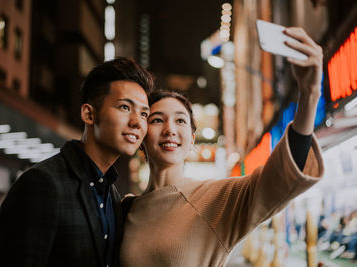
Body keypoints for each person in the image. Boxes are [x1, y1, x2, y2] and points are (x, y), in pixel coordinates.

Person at [120, 27, 324, 266]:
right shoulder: (125, 209)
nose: (170, 129)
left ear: (192, 139)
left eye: (180, 120)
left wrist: (310, 93)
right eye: (157, 120)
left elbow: (281, 179)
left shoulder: (214, 199)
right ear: (142, 134)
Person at [0, 57, 154, 267]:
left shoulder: (112, 195)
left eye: (144, 114)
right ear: (89, 114)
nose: (136, 122)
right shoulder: (42, 183)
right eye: (125, 107)